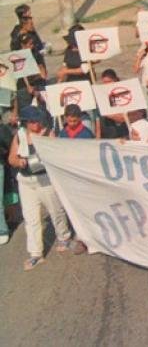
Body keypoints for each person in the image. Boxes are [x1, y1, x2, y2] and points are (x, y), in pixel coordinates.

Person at [7, 105, 85, 270]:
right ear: (26, 123)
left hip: (45, 179)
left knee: (55, 210)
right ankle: (35, 253)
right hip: (26, 182)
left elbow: (56, 153)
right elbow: (11, 158)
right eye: (33, 122)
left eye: (38, 121)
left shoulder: (47, 132)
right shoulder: (19, 136)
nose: (36, 124)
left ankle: (63, 236)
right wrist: (19, 162)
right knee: (31, 218)